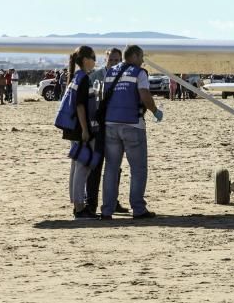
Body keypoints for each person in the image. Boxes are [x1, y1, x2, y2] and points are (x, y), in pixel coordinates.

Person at [100, 44, 162, 220]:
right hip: (133, 125)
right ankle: (138, 208)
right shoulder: (138, 73)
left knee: (111, 168)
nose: (143, 60)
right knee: (138, 169)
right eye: (141, 57)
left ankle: (107, 210)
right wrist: (155, 111)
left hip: (111, 124)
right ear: (134, 56)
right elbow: (144, 95)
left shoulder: (110, 72)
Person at [85, 47, 128, 216]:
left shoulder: (125, 77)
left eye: (117, 61)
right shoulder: (95, 77)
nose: (114, 64)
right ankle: (91, 204)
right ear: (105, 61)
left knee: (114, 167)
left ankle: (112, 201)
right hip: (98, 128)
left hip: (116, 127)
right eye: (111, 60)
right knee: (95, 167)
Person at [57, 45, 98, 219]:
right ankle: (80, 207)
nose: (95, 62)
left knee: (76, 166)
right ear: (86, 59)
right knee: (82, 167)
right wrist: (85, 131)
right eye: (94, 58)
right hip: (79, 128)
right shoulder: (83, 78)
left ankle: (76, 203)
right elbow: (81, 106)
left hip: (72, 128)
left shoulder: (75, 77)